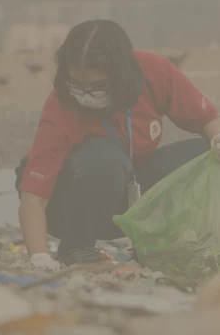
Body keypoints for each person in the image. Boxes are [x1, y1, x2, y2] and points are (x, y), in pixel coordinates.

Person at [16, 19, 220, 269]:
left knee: (204, 154)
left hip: (128, 190)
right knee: (103, 157)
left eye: (97, 85)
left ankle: (166, 243)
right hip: (68, 201)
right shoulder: (63, 105)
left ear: (120, 75)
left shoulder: (155, 72)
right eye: (78, 84)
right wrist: (39, 256)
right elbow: (33, 198)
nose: (86, 93)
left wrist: (216, 140)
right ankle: (77, 246)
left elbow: (208, 119)